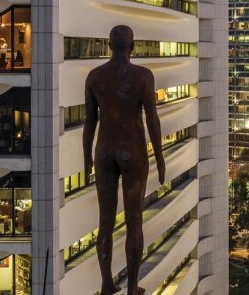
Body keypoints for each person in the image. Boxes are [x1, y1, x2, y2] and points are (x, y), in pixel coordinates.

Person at [84, 24, 165, 295]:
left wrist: (87, 159)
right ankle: (132, 287)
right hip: (132, 151)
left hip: (104, 151)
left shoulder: (95, 76)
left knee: (105, 222)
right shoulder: (142, 76)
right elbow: (152, 119)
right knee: (134, 221)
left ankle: (107, 284)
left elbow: (90, 123)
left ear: (109, 45)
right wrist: (160, 156)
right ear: (133, 45)